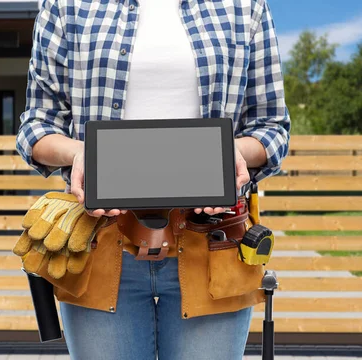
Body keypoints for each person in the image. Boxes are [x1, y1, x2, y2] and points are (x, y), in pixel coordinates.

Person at [15, 0, 291, 359]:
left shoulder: (244, 6)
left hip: (212, 242)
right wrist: (79, 153)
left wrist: (230, 153)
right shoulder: (67, 5)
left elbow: (272, 128)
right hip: (101, 241)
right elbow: (37, 127)